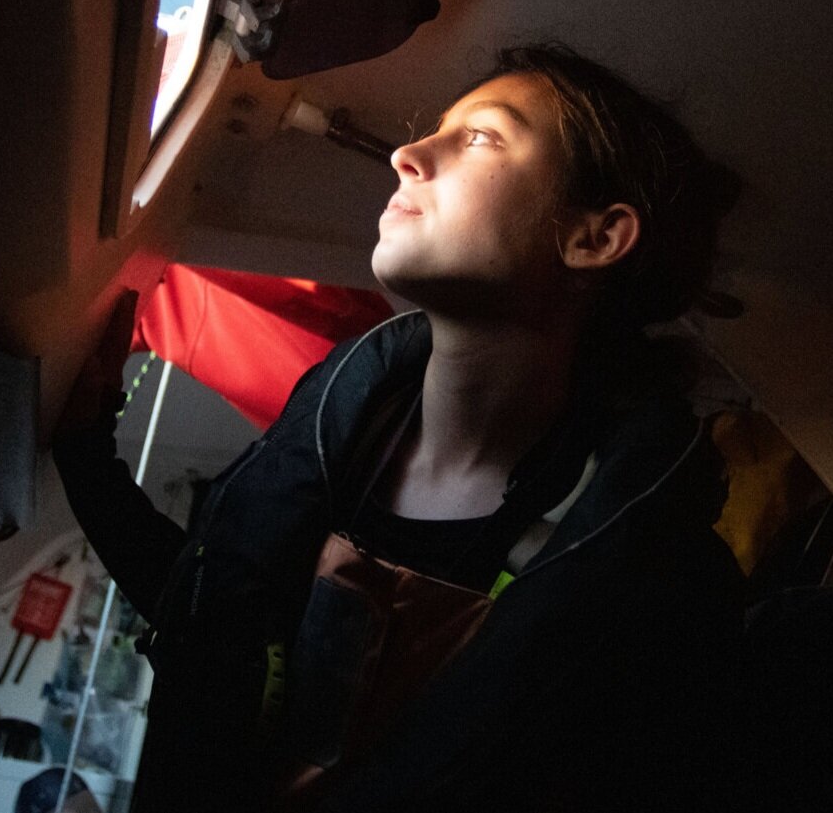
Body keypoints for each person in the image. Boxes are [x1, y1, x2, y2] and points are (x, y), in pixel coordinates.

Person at [53, 42, 748, 812]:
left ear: (594, 237)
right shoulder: (325, 438)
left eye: (483, 136)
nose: (408, 155)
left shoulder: (658, 585)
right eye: (431, 131)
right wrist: (84, 447)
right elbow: (212, 616)